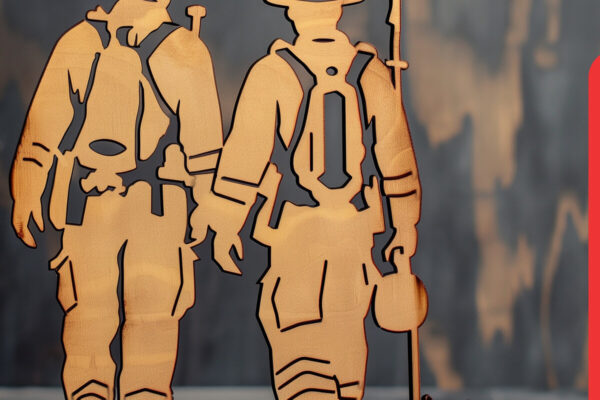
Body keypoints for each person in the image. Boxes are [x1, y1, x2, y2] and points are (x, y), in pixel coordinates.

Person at [9, 1, 232, 398]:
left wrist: (28, 186)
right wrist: (210, 209)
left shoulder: (82, 41)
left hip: (95, 205)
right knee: (139, 319)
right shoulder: (182, 47)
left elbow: (42, 130)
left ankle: (99, 392)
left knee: (100, 318)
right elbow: (204, 150)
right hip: (152, 208)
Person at [212, 0, 424, 398]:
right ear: (338, 10)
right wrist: (404, 223)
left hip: (293, 234)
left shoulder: (272, 72)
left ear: (292, 12)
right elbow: (397, 159)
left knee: (298, 343)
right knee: (347, 338)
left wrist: (225, 222)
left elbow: (244, 158)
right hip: (356, 234)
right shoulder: (370, 72)